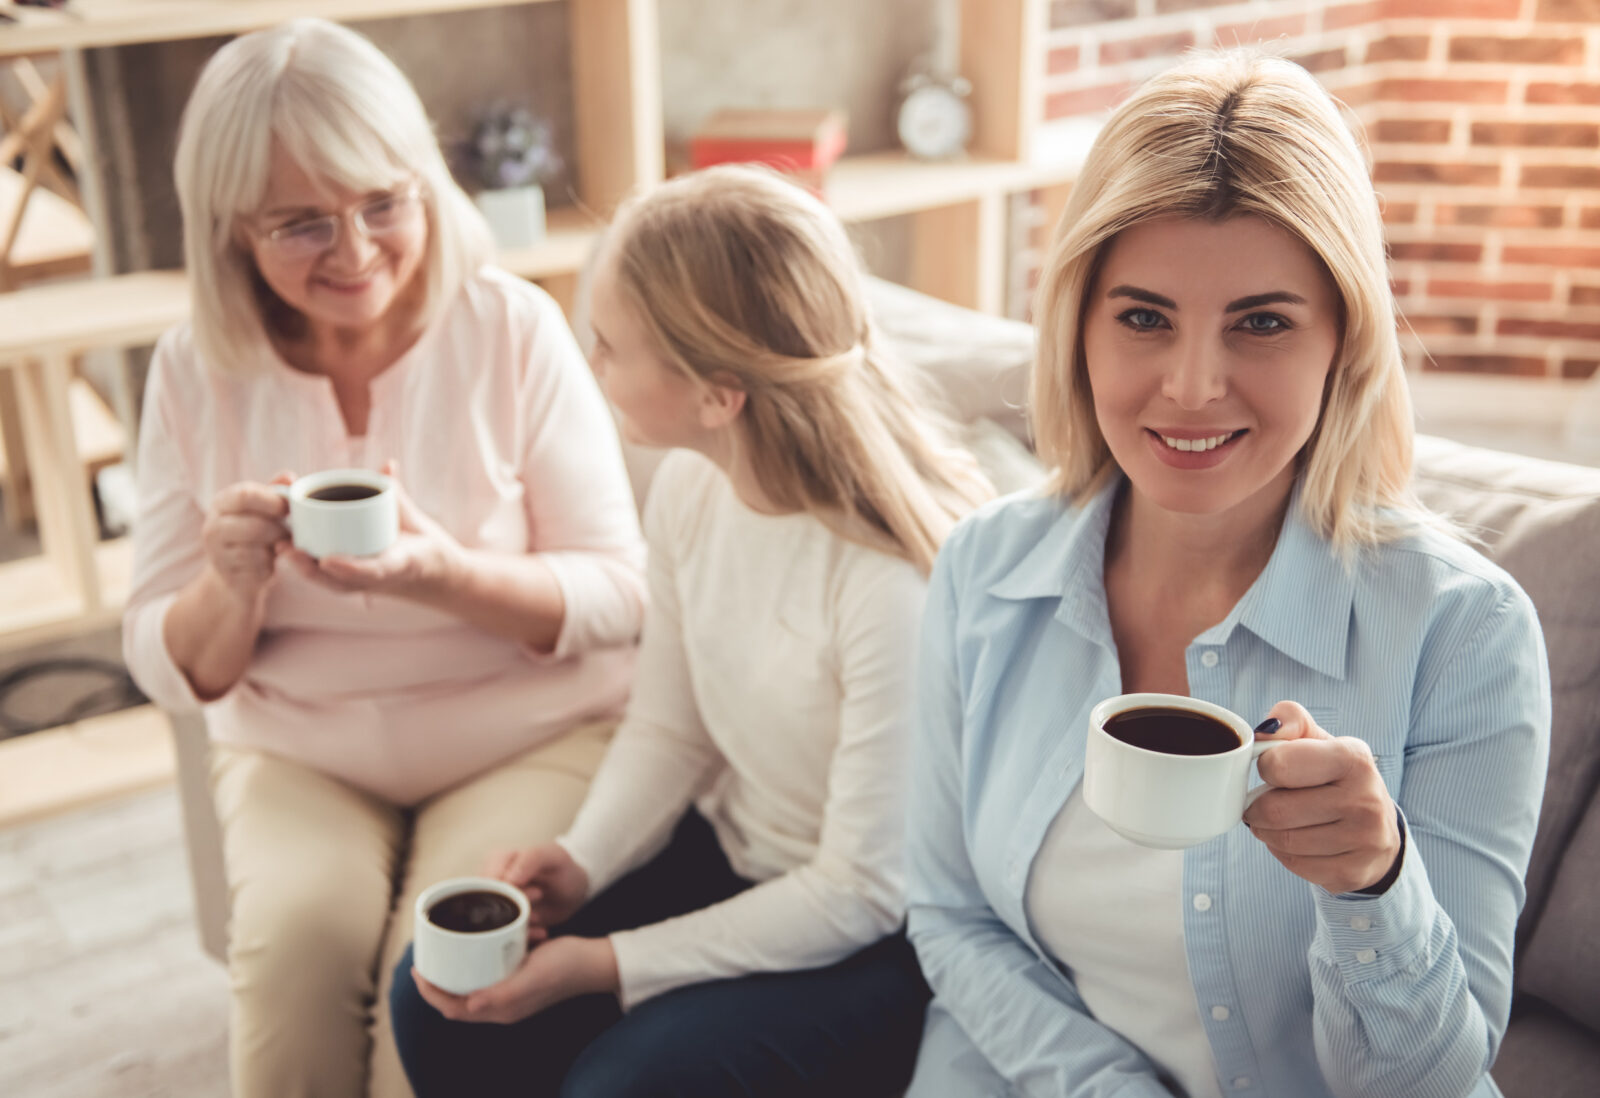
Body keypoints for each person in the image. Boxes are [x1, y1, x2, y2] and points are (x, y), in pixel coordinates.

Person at [903, 49, 1551, 1098]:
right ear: (1077, 326)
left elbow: (1431, 1082)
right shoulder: (984, 569)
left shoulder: (1462, 633)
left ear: (1343, 340)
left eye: (1260, 323)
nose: (1192, 386)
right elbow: (949, 914)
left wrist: (1369, 883)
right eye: (1144, 316)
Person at [121, 20, 646, 1098]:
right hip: (302, 754)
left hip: (525, 732)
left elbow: (621, 594)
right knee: (294, 958)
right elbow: (166, 665)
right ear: (231, 231)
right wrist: (229, 582)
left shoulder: (512, 331)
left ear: (424, 185)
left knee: (434, 986)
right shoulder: (193, 371)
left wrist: (439, 572)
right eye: (302, 224)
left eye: (382, 205)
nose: (355, 254)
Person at [387, 164, 993, 1097]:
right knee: (438, 998)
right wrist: (581, 866)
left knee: (624, 1085)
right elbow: (671, 727)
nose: (595, 368)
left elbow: (862, 890)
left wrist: (603, 963)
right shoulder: (693, 488)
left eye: (610, 346)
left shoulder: (890, 587)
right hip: (744, 859)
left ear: (718, 394)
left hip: (890, 937)